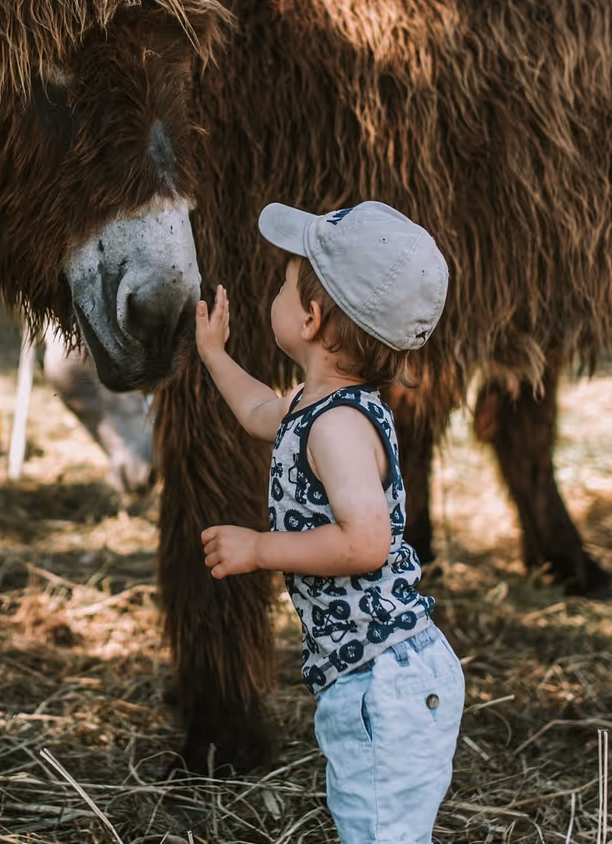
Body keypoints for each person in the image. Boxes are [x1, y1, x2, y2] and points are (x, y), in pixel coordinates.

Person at [194, 200, 463, 843]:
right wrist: (214, 356)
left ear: (311, 318)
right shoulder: (317, 406)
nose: (278, 291)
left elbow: (366, 542)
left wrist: (263, 548)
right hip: (375, 679)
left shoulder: (339, 426)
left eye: (286, 281)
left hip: (385, 685)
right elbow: (262, 410)